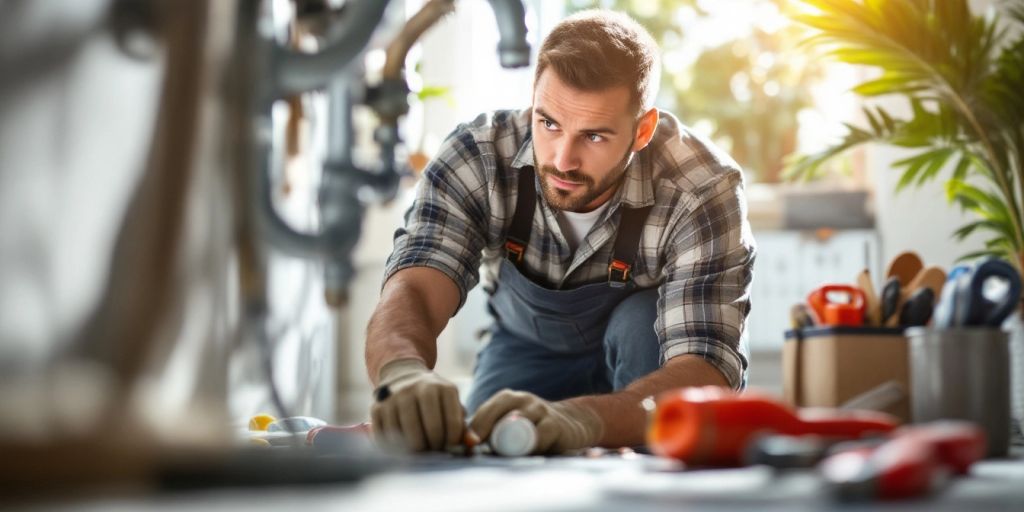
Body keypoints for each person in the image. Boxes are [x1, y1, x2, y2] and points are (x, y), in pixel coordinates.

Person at [364, 9, 755, 455]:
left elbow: (704, 370)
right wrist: (402, 371)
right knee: (484, 458)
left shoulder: (701, 188)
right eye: (548, 123)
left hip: (649, 361)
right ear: (533, 99)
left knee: (640, 327)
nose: (563, 160)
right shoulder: (478, 156)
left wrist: (583, 418)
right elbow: (413, 287)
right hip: (524, 347)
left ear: (642, 130)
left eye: (594, 136)